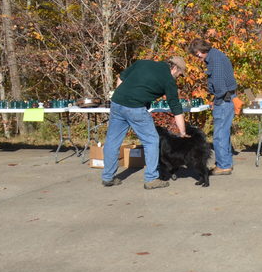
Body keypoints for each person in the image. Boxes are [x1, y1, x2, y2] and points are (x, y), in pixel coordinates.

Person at [101, 56, 188, 190]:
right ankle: (151, 179)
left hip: (117, 103)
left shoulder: (143, 63)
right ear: (175, 68)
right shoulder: (168, 80)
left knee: (112, 141)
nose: (178, 77)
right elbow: (176, 108)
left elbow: (121, 78)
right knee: (151, 141)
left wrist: (122, 98)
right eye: (180, 74)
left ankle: (108, 177)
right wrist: (182, 132)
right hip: (135, 108)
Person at [188, 38, 237, 176]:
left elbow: (220, 85)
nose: (198, 57)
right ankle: (225, 162)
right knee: (224, 133)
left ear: (201, 50)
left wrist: (216, 101)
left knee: (219, 135)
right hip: (226, 98)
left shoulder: (215, 59)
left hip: (223, 100)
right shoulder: (215, 56)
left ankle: (223, 166)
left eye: (197, 54)